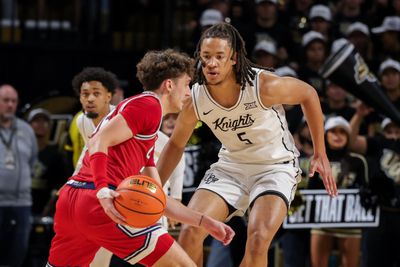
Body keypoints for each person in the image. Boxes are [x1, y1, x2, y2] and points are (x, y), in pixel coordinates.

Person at [156, 23, 337, 267]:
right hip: (231, 167)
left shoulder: (263, 86)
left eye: (219, 56)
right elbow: (176, 145)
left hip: (275, 167)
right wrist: (153, 186)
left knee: (258, 239)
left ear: (233, 58)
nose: (211, 63)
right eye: (206, 56)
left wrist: (320, 152)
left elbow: (308, 94)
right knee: (190, 231)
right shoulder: (196, 98)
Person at [47, 49, 235, 267]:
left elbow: (157, 198)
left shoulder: (143, 130)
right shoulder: (149, 105)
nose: (188, 92)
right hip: (99, 201)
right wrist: (102, 190)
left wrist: (205, 222)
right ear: (169, 85)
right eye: (186, 84)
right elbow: (98, 142)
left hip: (72, 200)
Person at [308, 116, 368, 267]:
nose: (337, 135)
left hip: (350, 221)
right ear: (325, 134)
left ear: (348, 136)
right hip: (321, 220)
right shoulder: (316, 160)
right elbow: (310, 191)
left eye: (342, 132)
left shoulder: (358, 161)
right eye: (333, 131)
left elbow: (365, 190)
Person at [0, 84, 38, 267]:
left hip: (22, 203)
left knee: (18, 254)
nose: (10, 105)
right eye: (5, 100)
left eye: (13, 101)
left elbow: (32, 160)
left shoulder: (26, 130)